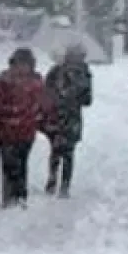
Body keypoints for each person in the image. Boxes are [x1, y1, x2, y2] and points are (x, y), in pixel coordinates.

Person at [0, 48, 53, 209]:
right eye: (19, 64)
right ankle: (9, 196)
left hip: (26, 131)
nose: (21, 68)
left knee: (21, 163)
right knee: (8, 163)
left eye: (25, 65)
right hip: (6, 131)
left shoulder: (36, 84)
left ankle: (19, 196)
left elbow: (44, 106)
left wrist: (46, 122)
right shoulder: (3, 82)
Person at [42, 44, 93, 198]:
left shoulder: (61, 71)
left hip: (61, 115)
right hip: (67, 116)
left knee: (59, 150)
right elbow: (87, 99)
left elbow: (45, 91)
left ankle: (55, 182)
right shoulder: (82, 73)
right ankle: (62, 184)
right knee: (66, 152)